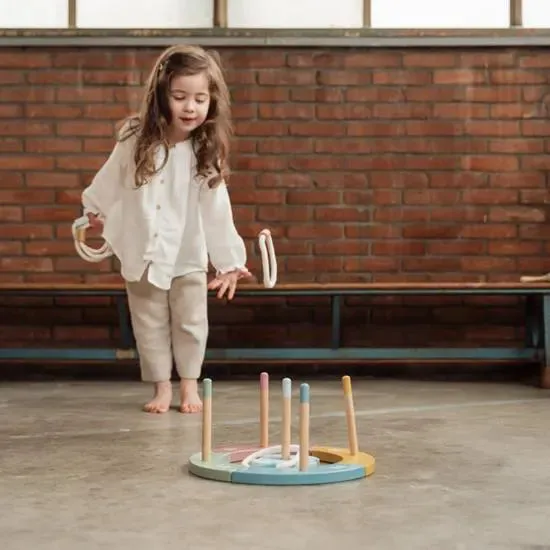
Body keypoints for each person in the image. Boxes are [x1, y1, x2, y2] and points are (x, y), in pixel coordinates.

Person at [80, 44, 251, 414]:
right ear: (161, 96)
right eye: (180, 97)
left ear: (212, 101)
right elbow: (110, 178)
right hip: (142, 251)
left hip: (187, 253)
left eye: (200, 98)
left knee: (191, 321)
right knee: (149, 322)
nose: (190, 107)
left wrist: (229, 261)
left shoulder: (206, 152)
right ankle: (162, 387)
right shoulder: (134, 140)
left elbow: (217, 210)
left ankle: (189, 386)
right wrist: (95, 209)